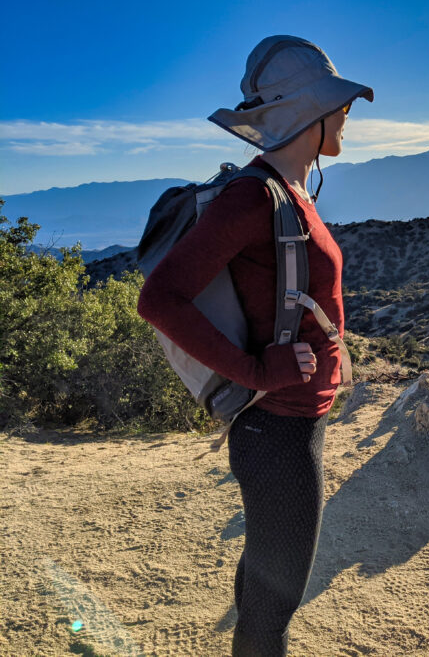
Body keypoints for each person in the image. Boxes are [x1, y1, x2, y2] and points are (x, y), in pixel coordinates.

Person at [137, 35, 373, 656]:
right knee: (276, 603)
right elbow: (158, 300)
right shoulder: (252, 195)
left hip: (298, 423)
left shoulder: (291, 191)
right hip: (275, 428)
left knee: (267, 580)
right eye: (339, 104)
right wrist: (252, 369)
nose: (347, 114)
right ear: (308, 112)